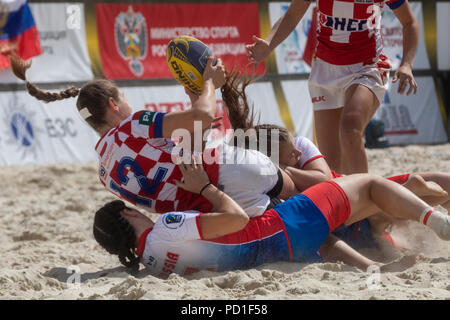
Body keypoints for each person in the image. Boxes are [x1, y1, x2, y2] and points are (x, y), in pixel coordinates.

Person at [10, 53, 300, 217]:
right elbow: (202, 116)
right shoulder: (132, 125)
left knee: (287, 212)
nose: (127, 103)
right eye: (122, 97)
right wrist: (208, 85)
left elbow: (184, 166)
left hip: (214, 211)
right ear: (113, 105)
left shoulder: (104, 173)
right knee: (301, 189)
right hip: (229, 170)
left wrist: (194, 101)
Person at [93, 157, 450, 277]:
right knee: (370, 184)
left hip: (289, 252)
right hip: (286, 226)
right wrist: (204, 188)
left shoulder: (154, 267)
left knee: (360, 209)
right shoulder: (166, 227)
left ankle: (377, 266)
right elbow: (234, 219)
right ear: (127, 212)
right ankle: (433, 218)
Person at [245, 0, 419, 175]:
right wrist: (269, 44)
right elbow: (292, 14)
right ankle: (349, 198)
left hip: (366, 66)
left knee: (350, 129)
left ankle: (366, 195)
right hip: (325, 70)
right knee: (332, 165)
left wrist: (406, 64)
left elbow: (410, 22)